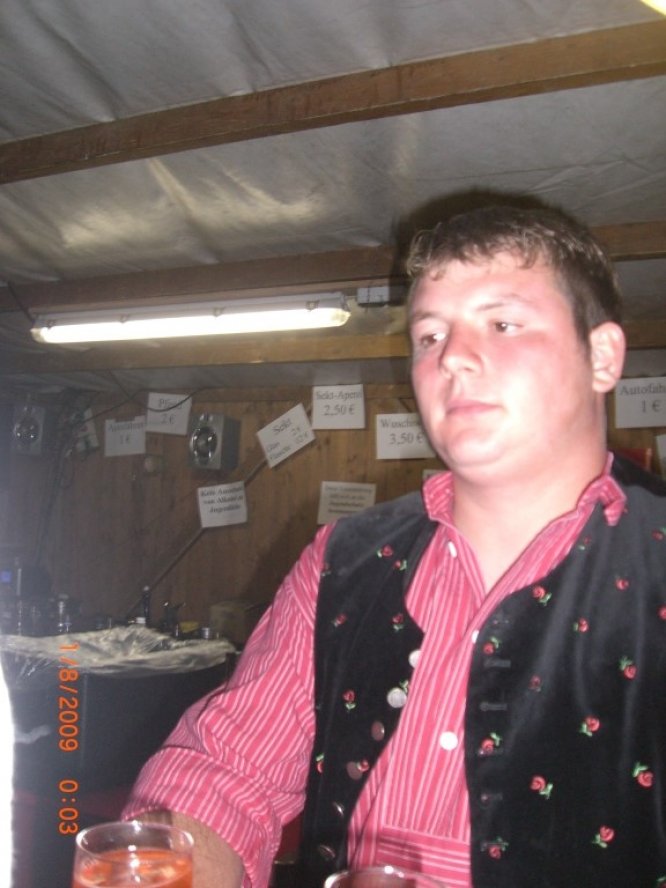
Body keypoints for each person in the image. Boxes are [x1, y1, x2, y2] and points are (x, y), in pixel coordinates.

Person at [124, 204, 666, 887]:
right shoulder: (343, 559)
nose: (452, 357)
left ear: (603, 357)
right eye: (429, 335)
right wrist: (162, 867)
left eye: (503, 323)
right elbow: (224, 771)